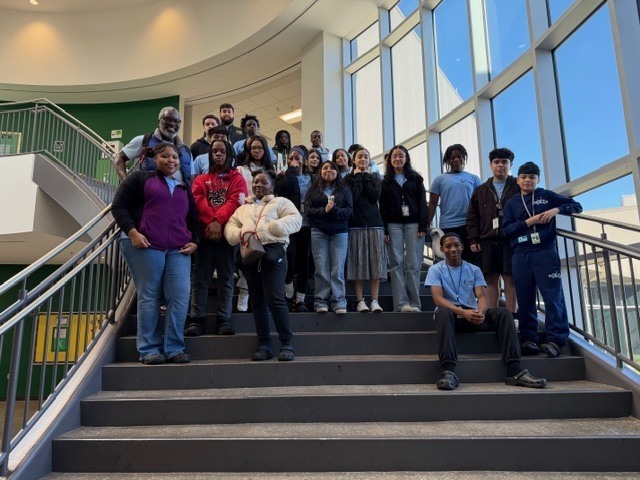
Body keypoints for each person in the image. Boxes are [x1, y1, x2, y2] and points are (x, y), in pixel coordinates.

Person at [425, 232, 547, 390]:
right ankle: (448, 371)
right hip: (452, 318)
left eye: (456, 245)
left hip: (473, 315)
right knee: (442, 312)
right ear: (442, 249)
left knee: (503, 313)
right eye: (448, 246)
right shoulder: (435, 270)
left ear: (462, 247)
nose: (453, 249)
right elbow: (438, 299)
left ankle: (514, 370)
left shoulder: (473, 269)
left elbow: (482, 296)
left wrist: (480, 313)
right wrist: (462, 313)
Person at [112, 141, 199, 364]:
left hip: (178, 250)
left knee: (179, 297)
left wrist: (194, 241)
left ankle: (174, 348)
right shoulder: (139, 178)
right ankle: (149, 349)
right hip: (145, 245)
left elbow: (193, 220)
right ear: (154, 159)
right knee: (149, 296)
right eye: (166, 157)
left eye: (175, 157)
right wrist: (132, 232)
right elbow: (119, 206)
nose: (171, 161)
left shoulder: (183, 187)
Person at [503, 161, 583, 358]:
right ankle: (529, 338)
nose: (528, 180)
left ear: (538, 179)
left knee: (552, 296)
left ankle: (556, 340)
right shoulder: (511, 203)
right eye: (524, 177)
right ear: (518, 180)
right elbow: (507, 230)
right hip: (521, 253)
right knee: (525, 297)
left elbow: (576, 206)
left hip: (545, 251)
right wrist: (530, 221)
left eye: (532, 177)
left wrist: (555, 210)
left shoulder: (546, 196)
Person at [225, 171, 302, 361]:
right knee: (257, 300)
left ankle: (287, 344)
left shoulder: (281, 202)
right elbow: (230, 225)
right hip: (251, 255)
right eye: (256, 181)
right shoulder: (244, 208)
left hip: (273, 252)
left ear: (272, 186)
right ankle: (264, 345)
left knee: (275, 298)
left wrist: (273, 227)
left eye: (264, 182)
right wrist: (241, 232)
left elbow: (295, 219)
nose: (259, 185)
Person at [186, 140, 247, 337]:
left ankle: (224, 319)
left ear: (229, 154)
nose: (218, 154)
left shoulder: (237, 178)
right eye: (214, 151)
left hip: (226, 236)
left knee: (226, 278)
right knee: (200, 278)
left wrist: (218, 222)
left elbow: (236, 201)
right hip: (204, 235)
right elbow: (197, 200)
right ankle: (197, 319)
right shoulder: (201, 179)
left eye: (222, 151)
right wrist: (212, 222)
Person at [466, 147, 520, 313]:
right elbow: (472, 216)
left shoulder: (518, 186)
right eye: (496, 162)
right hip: (487, 239)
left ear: (510, 164)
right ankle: (493, 315)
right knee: (490, 279)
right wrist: (474, 239)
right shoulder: (481, 190)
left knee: (510, 278)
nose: (500, 165)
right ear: (490, 165)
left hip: (511, 240)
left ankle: (511, 315)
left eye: (504, 162)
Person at [379, 145, 428, 312]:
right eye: (394, 157)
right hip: (393, 225)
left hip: (414, 224)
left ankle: (415, 303)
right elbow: (383, 207)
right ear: (390, 160)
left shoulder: (416, 178)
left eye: (401, 156)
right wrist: (384, 229)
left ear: (406, 158)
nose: (397, 159)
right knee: (396, 263)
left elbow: (423, 203)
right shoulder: (385, 181)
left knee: (413, 263)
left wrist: (423, 225)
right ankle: (401, 304)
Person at [306, 161, 353, 314]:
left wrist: (334, 211)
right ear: (320, 171)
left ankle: (339, 301)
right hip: (319, 232)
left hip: (339, 232)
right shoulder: (313, 189)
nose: (329, 170)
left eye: (332, 168)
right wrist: (324, 211)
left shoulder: (344, 190)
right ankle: (321, 301)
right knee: (321, 268)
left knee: (337, 268)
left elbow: (349, 212)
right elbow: (309, 211)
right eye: (325, 168)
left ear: (337, 172)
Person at [235, 135, 275, 312]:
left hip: (267, 217)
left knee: (265, 256)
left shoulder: (271, 170)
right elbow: (239, 193)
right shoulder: (241, 170)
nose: (257, 151)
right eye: (253, 148)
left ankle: (261, 294)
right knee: (248, 254)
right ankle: (245, 291)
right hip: (247, 214)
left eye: (260, 148)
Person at [344, 146, 387, 313]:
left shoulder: (375, 177)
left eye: (366, 157)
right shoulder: (348, 179)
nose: (362, 159)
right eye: (359, 156)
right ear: (353, 160)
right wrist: (358, 178)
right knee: (358, 263)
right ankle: (360, 300)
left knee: (376, 263)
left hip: (375, 224)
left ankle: (375, 300)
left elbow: (374, 196)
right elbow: (353, 197)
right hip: (356, 225)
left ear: (369, 160)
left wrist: (366, 177)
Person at [275, 146, 314, 312]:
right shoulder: (285, 177)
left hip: (306, 226)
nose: (295, 160)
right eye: (291, 158)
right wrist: (291, 170)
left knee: (303, 262)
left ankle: (300, 299)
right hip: (289, 225)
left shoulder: (312, 178)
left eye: (298, 158)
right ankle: (289, 288)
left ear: (304, 160)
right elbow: (280, 191)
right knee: (289, 259)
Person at [428, 144, 482, 263]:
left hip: (469, 226)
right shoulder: (439, 179)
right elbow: (432, 204)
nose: (456, 160)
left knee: (471, 261)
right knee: (451, 261)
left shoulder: (473, 178)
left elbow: (482, 202)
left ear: (464, 158)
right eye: (452, 158)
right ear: (447, 160)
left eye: (459, 157)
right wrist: (426, 224)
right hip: (448, 226)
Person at [114, 106, 192, 184]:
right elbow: (119, 157)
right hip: (149, 194)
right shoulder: (144, 140)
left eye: (176, 121)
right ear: (159, 122)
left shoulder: (186, 150)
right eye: (167, 119)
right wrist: (126, 183)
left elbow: (191, 177)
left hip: (180, 194)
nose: (172, 123)